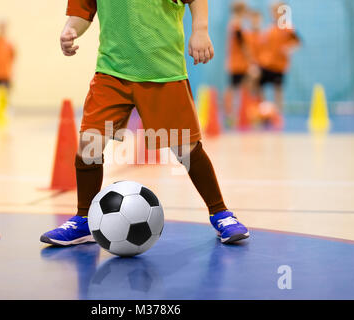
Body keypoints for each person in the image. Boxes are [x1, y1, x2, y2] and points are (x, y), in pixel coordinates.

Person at [41, 0, 249, 246]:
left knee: (187, 151)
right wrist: (71, 29)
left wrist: (200, 30)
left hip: (164, 71)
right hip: (111, 71)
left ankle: (220, 213)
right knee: (89, 145)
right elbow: (83, 10)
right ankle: (84, 218)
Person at [258, 1, 301, 113]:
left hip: (279, 65)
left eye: (277, 10)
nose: (274, 13)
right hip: (266, 63)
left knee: (278, 90)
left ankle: (278, 113)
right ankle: (264, 111)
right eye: (273, 11)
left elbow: (297, 42)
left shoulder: (287, 27)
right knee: (259, 84)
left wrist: (288, 49)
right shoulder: (270, 28)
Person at [223, 1, 251, 127]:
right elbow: (243, 46)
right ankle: (232, 115)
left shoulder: (235, 24)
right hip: (238, 64)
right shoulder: (236, 24)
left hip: (237, 63)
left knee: (237, 90)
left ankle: (237, 115)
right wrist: (251, 61)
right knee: (235, 90)